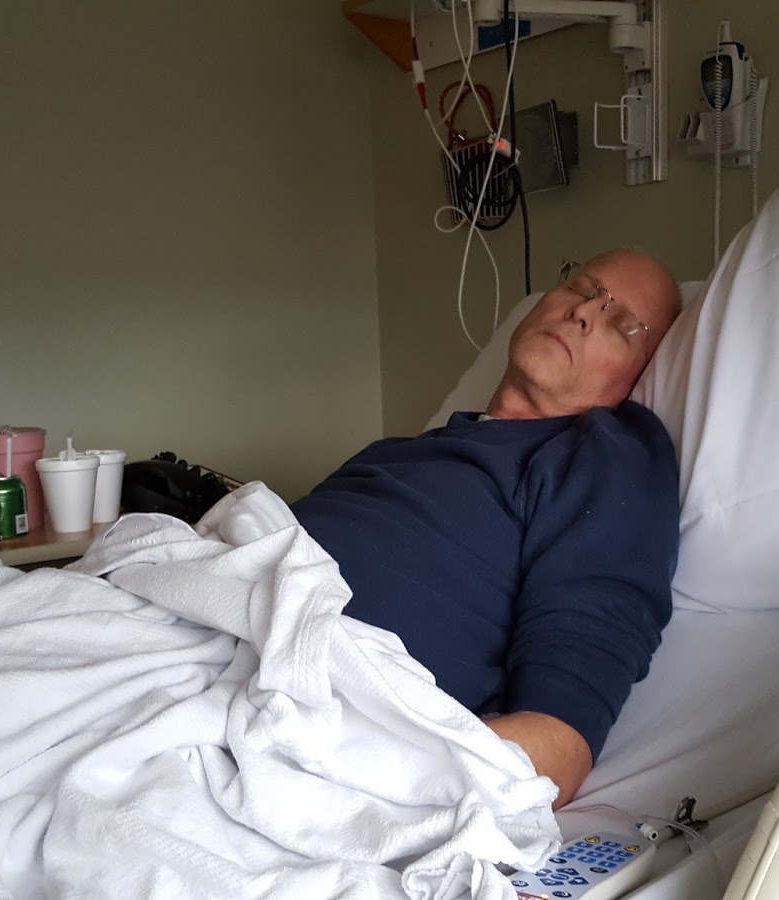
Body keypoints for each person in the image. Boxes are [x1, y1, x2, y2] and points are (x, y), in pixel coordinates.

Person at [292, 248, 684, 809]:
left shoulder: (605, 458)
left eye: (622, 324)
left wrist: (351, 763)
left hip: (309, 714)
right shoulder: (395, 452)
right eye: (582, 289)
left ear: (633, 381)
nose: (584, 313)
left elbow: (558, 744)